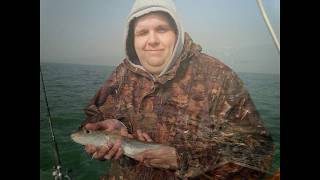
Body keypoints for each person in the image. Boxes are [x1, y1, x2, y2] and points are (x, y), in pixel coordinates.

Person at [80, 0, 275, 179]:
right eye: (142, 32)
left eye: (162, 29)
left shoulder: (219, 78)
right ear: (131, 38)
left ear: (177, 33)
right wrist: (112, 125)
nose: (152, 40)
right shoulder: (121, 74)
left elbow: (258, 155)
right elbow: (93, 116)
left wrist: (181, 159)